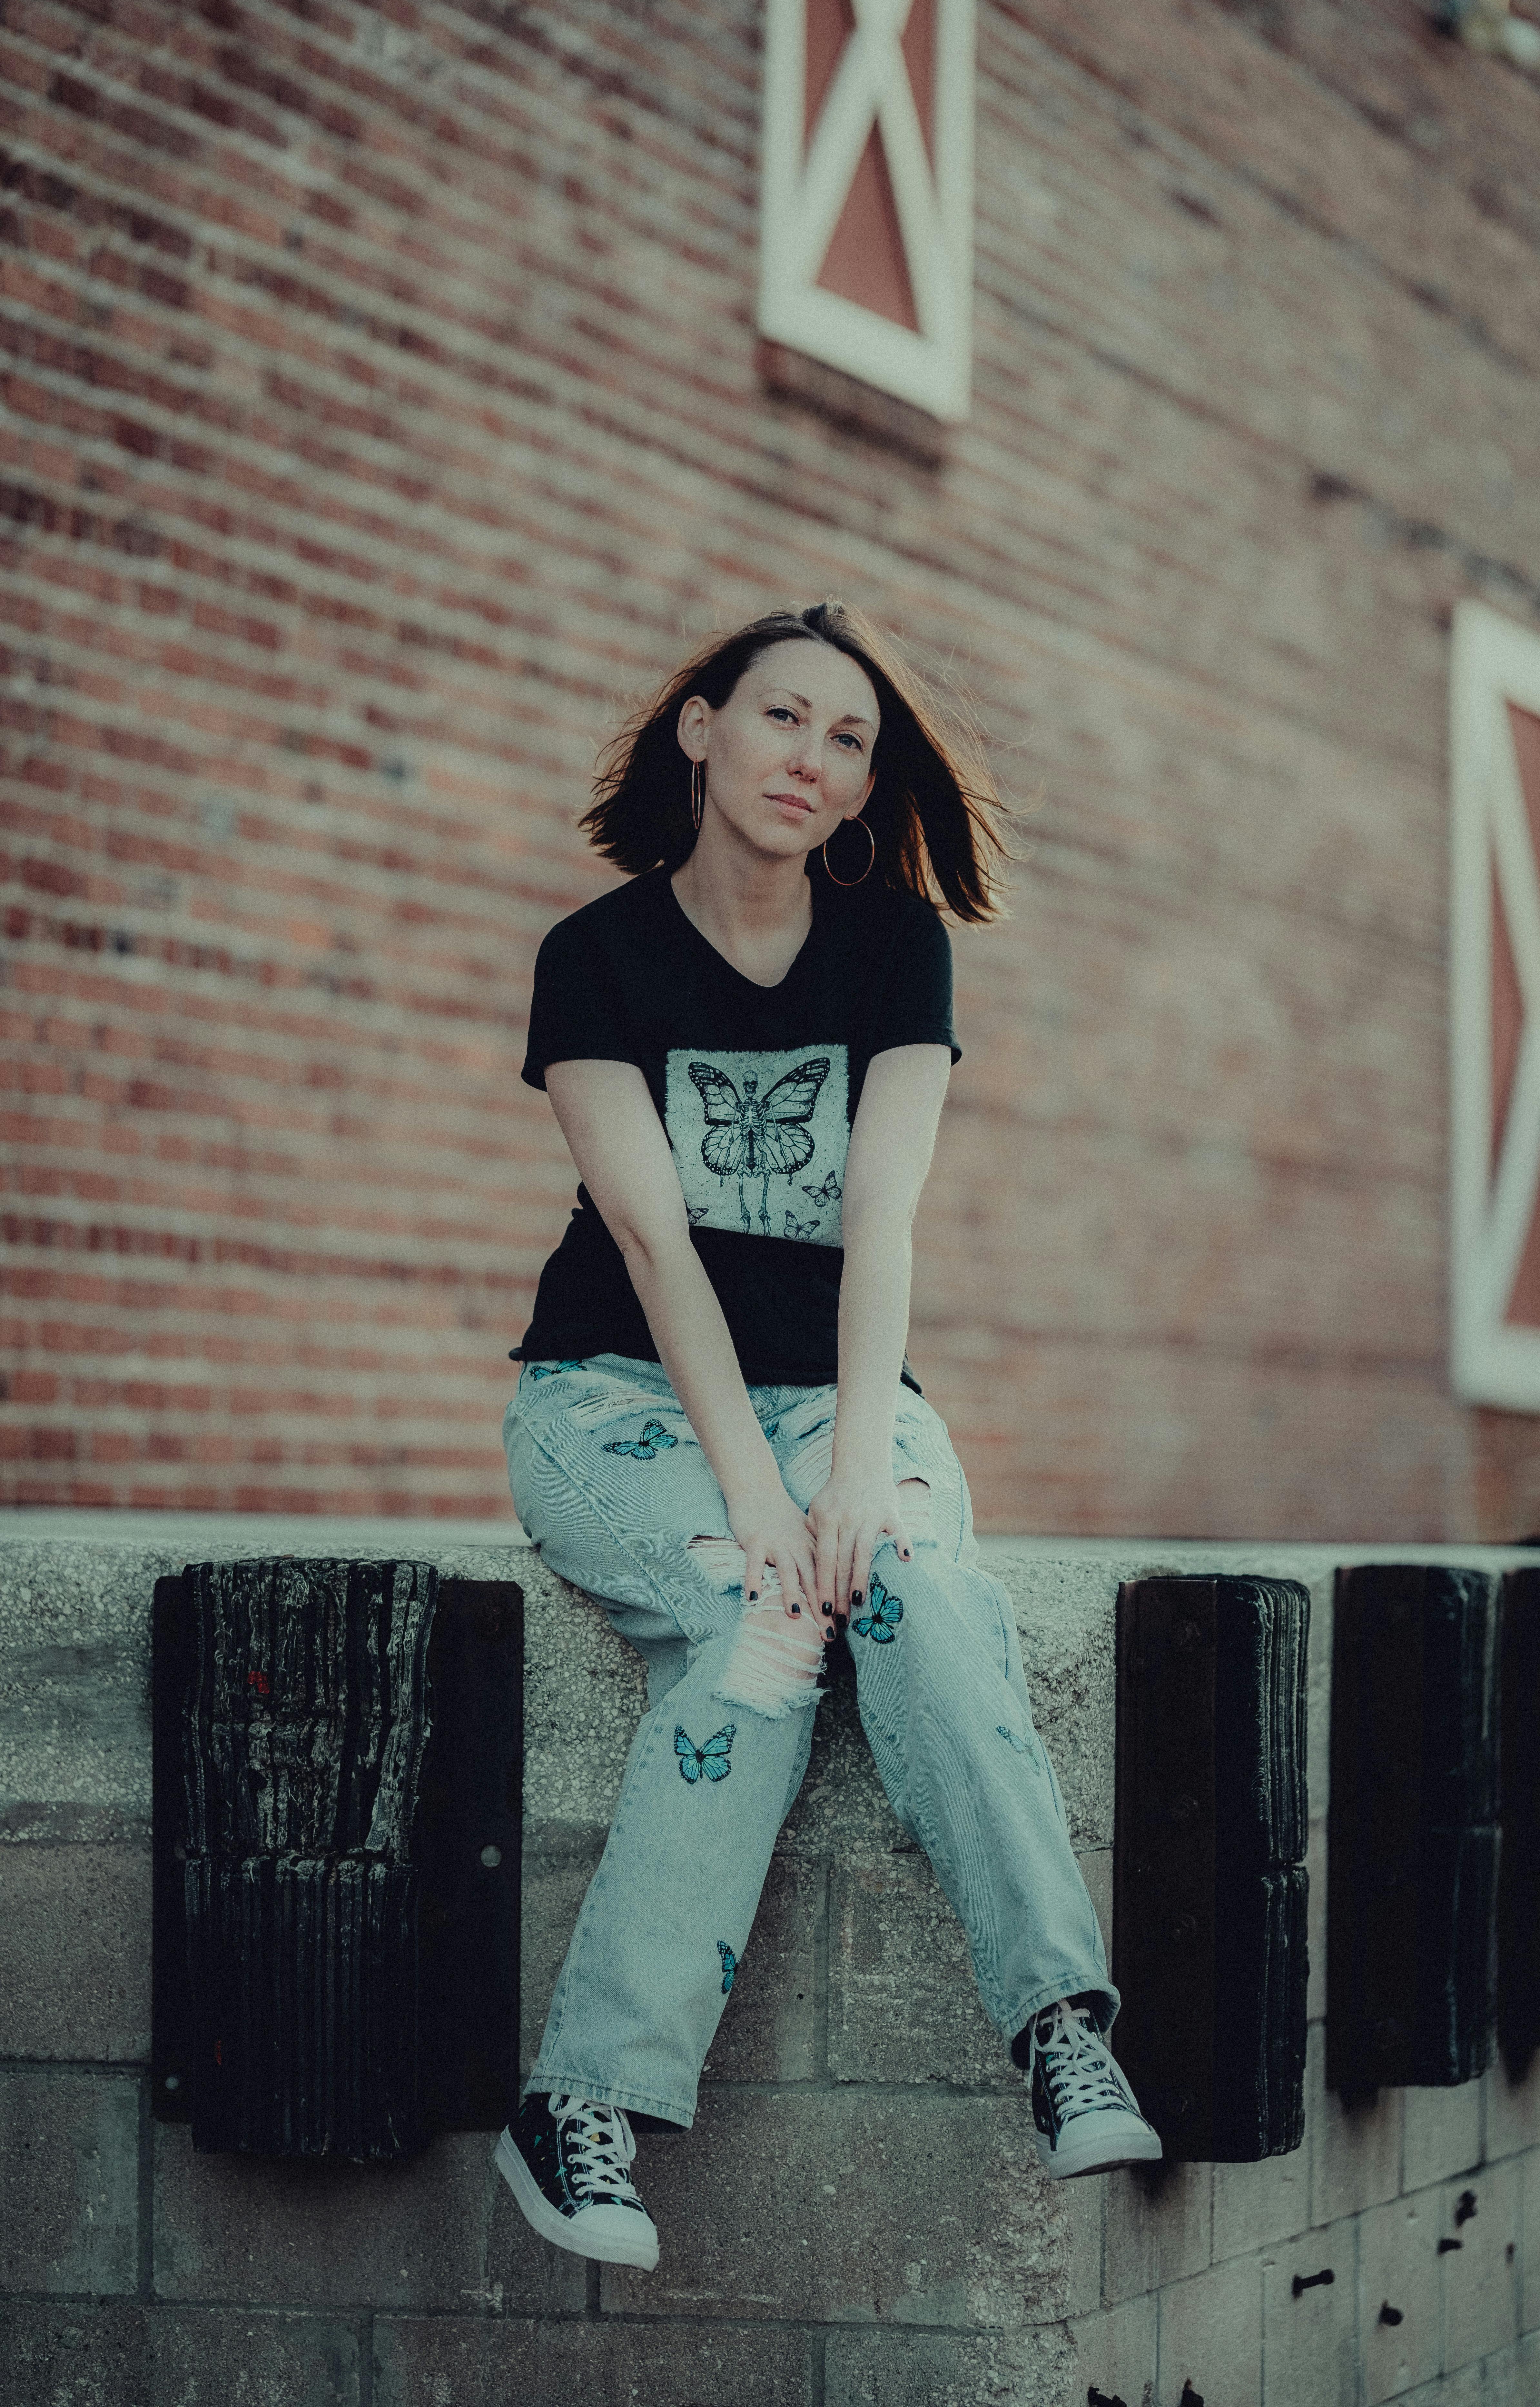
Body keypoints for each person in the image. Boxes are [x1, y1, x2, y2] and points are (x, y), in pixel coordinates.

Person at [494, 602, 1160, 2273]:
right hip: (614, 1395)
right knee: (759, 1614)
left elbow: (887, 1227)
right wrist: (758, 1500)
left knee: (916, 1589)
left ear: (869, 788)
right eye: (783, 718)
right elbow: (656, 1250)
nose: (814, 757)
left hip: (843, 1396)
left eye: (850, 739)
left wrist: (862, 1472)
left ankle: (1060, 2022)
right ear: (701, 731)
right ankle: (583, 2102)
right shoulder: (598, 959)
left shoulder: (896, 952)